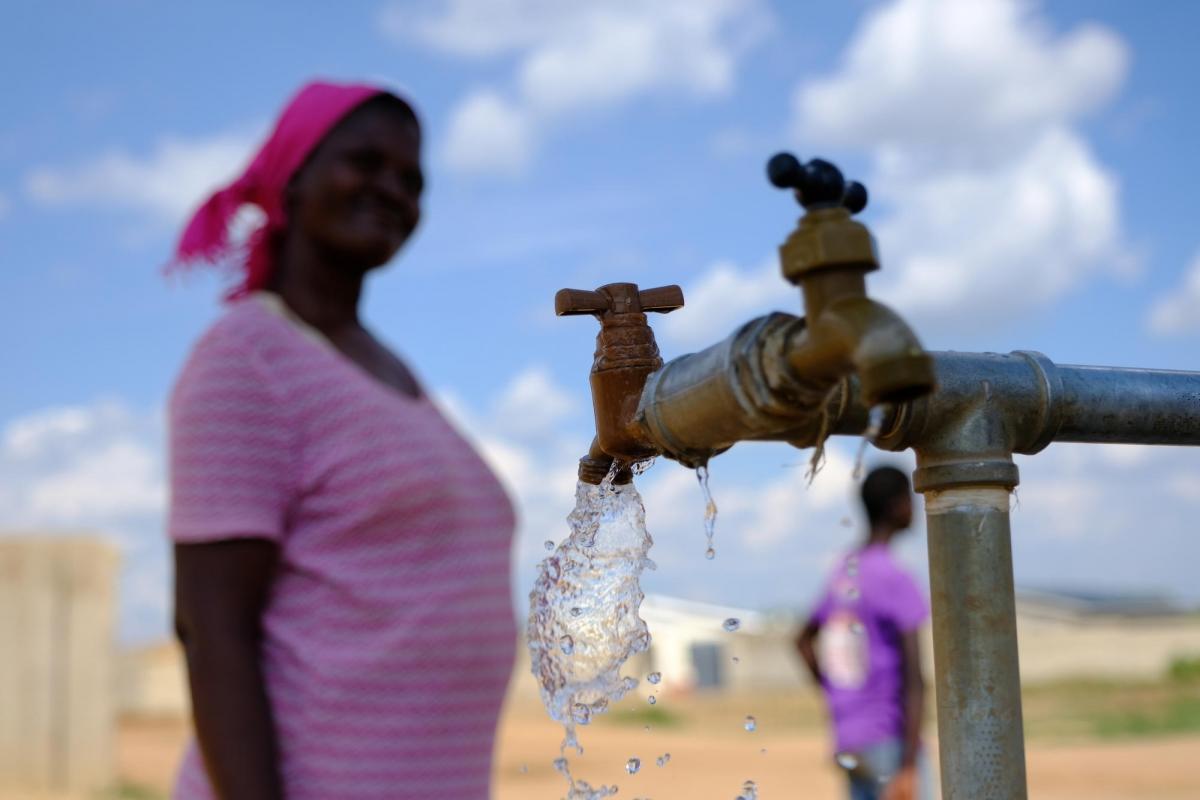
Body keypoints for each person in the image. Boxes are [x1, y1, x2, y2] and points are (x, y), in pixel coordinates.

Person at [167, 80, 516, 800]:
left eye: (411, 180)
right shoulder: (249, 358)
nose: (391, 189)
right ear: (293, 178)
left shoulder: (388, 369)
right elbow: (211, 630)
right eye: (364, 161)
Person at [796, 466, 931, 800]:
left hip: (849, 739)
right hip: (888, 739)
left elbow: (801, 641)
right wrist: (910, 764)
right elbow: (914, 678)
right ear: (898, 506)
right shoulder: (893, 576)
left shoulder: (846, 568)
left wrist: (837, 694)